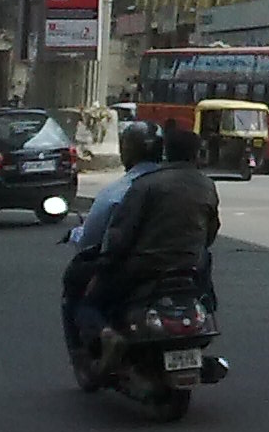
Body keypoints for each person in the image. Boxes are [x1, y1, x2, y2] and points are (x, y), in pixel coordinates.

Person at [82, 124, 223, 368]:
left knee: (89, 301)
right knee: (206, 286)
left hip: (145, 268)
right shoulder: (206, 185)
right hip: (190, 267)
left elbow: (120, 234)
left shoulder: (146, 185)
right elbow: (210, 232)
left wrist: (104, 266)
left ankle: (107, 335)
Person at [60, 121, 162, 351]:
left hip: (134, 267)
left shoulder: (118, 191)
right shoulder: (180, 185)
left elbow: (92, 239)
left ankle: (102, 334)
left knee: (78, 287)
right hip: (184, 264)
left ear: (126, 151)